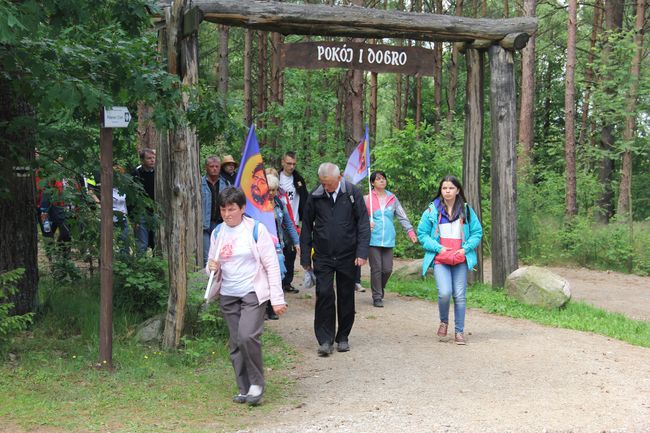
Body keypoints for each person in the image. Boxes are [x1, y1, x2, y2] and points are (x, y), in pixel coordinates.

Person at [206, 187, 287, 405]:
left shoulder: (256, 230)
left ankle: (257, 384)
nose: (226, 214)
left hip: (252, 291)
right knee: (235, 342)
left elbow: (271, 265)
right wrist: (211, 267)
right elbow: (213, 266)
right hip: (228, 293)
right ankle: (244, 389)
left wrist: (277, 299)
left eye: (231, 209)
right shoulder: (217, 233)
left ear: (242, 208)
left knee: (247, 336)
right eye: (223, 209)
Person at [300, 162, 370, 356]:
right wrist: (306, 256)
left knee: (346, 295)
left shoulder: (352, 193)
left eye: (328, 184)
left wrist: (361, 252)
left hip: (348, 255)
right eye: (322, 183)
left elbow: (363, 223)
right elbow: (306, 226)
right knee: (324, 294)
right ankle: (325, 339)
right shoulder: (315, 195)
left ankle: (343, 337)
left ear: (339, 179)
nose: (325, 187)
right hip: (322, 255)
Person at [417, 175, 483, 345]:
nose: (447, 191)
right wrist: (438, 248)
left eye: (451, 188)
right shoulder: (432, 211)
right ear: (441, 190)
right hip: (441, 259)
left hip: (460, 258)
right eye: (444, 188)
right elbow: (422, 234)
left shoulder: (466, 210)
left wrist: (465, 249)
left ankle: (459, 332)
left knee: (460, 295)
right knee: (445, 292)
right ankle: (444, 321)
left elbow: (477, 232)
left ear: (458, 190)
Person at [364, 170, 417, 308]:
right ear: (372, 183)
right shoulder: (367, 199)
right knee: (376, 268)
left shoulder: (392, 198)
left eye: (383, 178)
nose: (382, 181)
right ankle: (377, 297)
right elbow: (358, 217)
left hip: (388, 238)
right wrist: (366, 223)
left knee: (387, 269)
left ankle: (379, 289)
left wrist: (410, 231)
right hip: (372, 239)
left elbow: (401, 215)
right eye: (378, 179)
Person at [265, 174, 301, 320]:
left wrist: (296, 242)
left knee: (277, 275)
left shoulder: (280, 204)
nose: (271, 193)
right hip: (262, 245)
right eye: (268, 190)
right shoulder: (257, 205)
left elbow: (289, 224)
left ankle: (272, 307)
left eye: (274, 190)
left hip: (278, 244)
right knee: (264, 277)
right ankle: (264, 306)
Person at [277, 151, 308, 293]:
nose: (291, 166)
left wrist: (304, 219)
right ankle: (277, 281)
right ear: (283, 162)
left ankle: (287, 282)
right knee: (278, 252)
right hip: (278, 220)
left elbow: (305, 200)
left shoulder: (299, 180)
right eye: (289, 163)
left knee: (291, 253)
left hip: (293, 221)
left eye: (294, 164)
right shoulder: (276, 178)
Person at [201, 156, 228, 265]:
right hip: (204, 224)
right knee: (207, 256)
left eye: (217, 166)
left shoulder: (225, 184)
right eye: (211, 166)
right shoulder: (199, 183)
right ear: (206, 167)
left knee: (221, 254)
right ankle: (207, 280)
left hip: (221, 224)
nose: (214, 169)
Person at [132, 148, 156, 254]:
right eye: (149, 158)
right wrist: (134, 217)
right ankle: (141, 267)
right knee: (142, 244)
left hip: (156, 212)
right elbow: (132, 196)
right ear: (142, 160)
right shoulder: (136, 173)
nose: (152, 160)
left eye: (153, 158)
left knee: (158, 242)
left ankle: (159, 268)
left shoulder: (159, 173)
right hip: (141, 212)